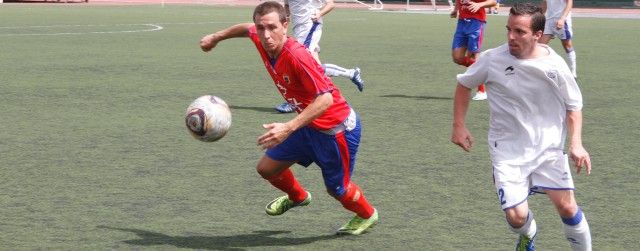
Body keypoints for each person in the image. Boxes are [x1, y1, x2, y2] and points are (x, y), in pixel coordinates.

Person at [199, 1, 378, 235]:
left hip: (336, 130)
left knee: (338, 190)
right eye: (261, 28)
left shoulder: (297, 56)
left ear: (285, 25)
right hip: (308, 125)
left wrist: (288, 127)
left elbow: (326, 100)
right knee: (266, 168)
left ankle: (367, 214)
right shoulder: (261, 38)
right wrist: (216, 37)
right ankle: (298, 196)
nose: (266, 35)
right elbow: (246, 29)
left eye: (272, 27)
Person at [450, 3, 592, 250]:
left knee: (568, 206)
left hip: (547, 149)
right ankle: (529, 232)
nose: (511, 37)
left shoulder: (555, 65)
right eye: (509, 30)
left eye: (519, 31)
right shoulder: (492, 59)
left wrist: (576, 143)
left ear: (537, 35)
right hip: (507, 151)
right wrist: (458, 126)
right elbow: (465, 84)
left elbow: (574, 106)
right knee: (516, 218)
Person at [275, 0, 365, 113]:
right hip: (298, 28)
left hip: (310, 25)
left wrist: (319, 14)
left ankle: (294, 102)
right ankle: (350, 75)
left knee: (300, 63)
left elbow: (331, 4)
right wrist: (286, 17)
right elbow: (287, 6)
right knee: (315, 67)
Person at [450, 0, 496, 101]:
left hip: (476, 22)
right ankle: (484, 70)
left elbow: (493, 2)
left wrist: (479, 4)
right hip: (462, 22)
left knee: (474, 55)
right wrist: (455, 10)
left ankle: (482, 91)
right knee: (457, 57)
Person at [540, 0, 578, 78]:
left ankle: (573, 72)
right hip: (549, 21)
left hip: (562, 21)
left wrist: (563, 19)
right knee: (540, 46)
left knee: (567, 46)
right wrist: (539, 17)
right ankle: (541, 69)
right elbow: (544, 3)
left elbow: (569, 2)